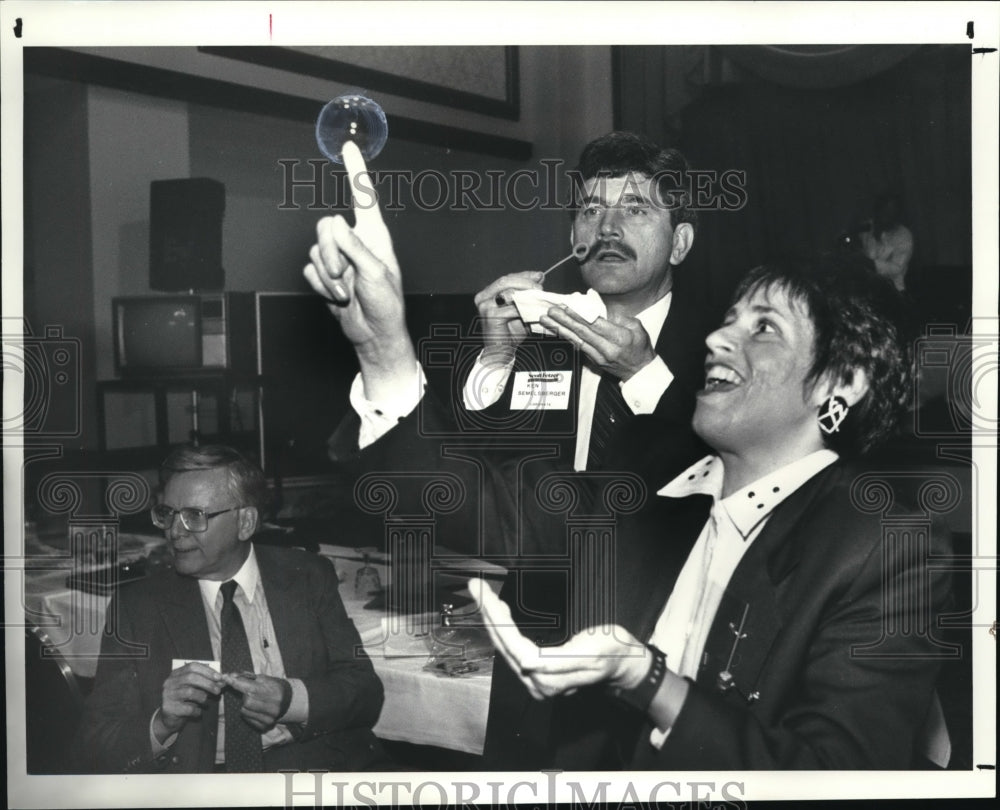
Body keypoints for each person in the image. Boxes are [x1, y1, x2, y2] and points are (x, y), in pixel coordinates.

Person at [76, 444, 386, 773]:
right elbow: (96, 744)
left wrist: (291, 699)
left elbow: (364, 692)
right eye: (167, 513)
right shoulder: (137, 606)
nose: (174, 531)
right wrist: (161, 723)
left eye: (195, 516)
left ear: (245, 522)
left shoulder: (307, 576)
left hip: (314, 767)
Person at [460, 131, 713, 488]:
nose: (607, 229)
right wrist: (497, 359)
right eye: (592, 210)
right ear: (573, 239)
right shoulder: (537, 338)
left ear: (679, 243)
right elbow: (476, 482)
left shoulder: (722, 347)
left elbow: (727, 472)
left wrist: (643, 374)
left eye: (635, 209)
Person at [859, 192, 914, 292]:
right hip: (868, 289)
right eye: (883, 210)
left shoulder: (904, 235)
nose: (886, 215)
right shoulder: (866, 227)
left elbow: (897, 268)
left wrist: (871, 264)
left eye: (891, 211)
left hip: (893, 291)